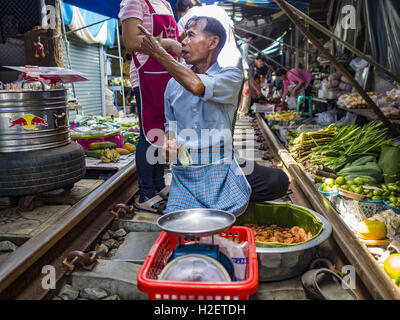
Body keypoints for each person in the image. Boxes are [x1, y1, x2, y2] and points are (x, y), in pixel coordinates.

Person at [137, 16, 289, 216]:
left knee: (278, 180)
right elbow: (170, 124)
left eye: (191, 35)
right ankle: (220, 201)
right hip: (188, 171)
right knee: (180, 225)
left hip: (224, 165)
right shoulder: (172, 85)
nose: (183, 42)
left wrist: (157, 52)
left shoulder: (231, 76)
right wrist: (169, 142)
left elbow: (197, 86)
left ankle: (216, 199)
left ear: (213, 42)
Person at [119, 0, 182, 214]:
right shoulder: (135, 2)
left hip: (166, 74)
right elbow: (131, 41)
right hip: (147, 75)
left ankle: (158, 184)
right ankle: (146, 193)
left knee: (162, 133)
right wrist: (170, 44)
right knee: (149, 133)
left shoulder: (164, 3)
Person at [175, 0, 242, 69]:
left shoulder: (186, 18)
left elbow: (178, 43)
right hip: (232, 63)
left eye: (190, 35)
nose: (184, 42)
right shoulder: (219, 11)